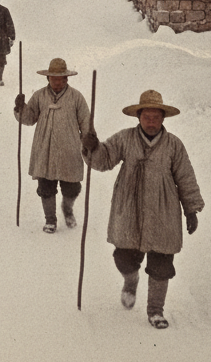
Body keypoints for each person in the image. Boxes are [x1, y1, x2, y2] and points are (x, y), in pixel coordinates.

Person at [82, 89, 204, 330]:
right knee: (123, 258)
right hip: (129, 209)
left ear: (163, 119)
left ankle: (156, 311)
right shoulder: (125, 139)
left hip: (163, 211)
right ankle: (131, 280)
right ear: (138, 117)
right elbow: (104, 160)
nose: (151, 122)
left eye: (156, 117)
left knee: (161, 264)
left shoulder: (174, 145)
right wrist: (92, 148)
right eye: (146, 117)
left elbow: (186, 177)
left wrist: (191, 209)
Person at [14, 58, 90, 233]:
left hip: (69, 148)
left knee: (72, 186)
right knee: (46, 186)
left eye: (60, 78)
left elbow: (86, 122)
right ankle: (50, 220)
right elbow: (29, 118)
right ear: (47, 78)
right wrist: (20, 108)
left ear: (66, 79)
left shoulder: (76, 97)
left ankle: (68, 209)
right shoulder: (39, 96)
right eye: (53, 78)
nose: (57, 82)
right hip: (44, 147)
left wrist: (88, 140)